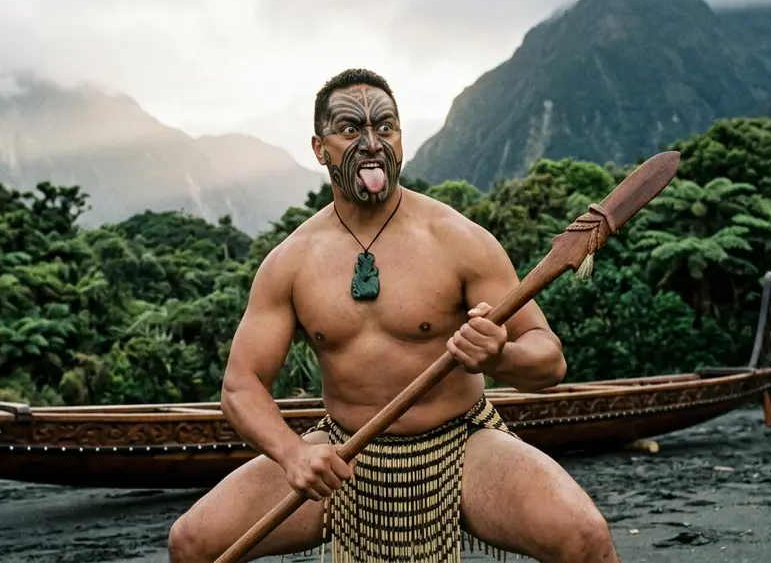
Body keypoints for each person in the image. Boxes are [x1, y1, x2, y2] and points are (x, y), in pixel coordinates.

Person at [167, 68, 619, 562]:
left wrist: (499, 355)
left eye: (385, 128)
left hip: (460, 445)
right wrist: (294, 454)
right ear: (320, 148)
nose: (371, 143)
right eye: (350, 130)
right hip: (343, 456)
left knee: (584, 536)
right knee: (193, 542)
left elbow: (549, 361)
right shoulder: (291, 262)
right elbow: (241, 385)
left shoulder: (458, 239)